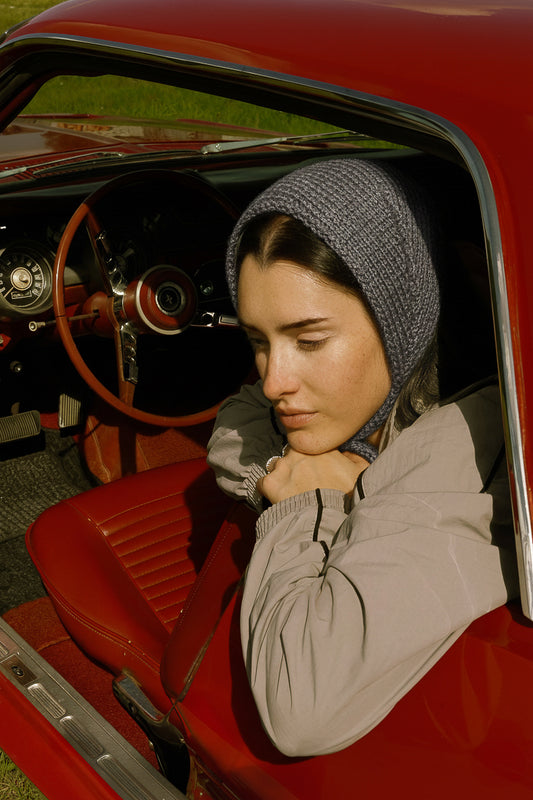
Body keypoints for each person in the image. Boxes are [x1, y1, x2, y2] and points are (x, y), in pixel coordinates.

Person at [206, 158, 518, 758]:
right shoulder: (363, 396)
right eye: (258, 341)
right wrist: (282, 468)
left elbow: (300, 710)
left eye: (310, 341)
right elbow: (239, 420)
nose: (274, 381)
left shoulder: (461, 456)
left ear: (400, 315)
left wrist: (302, 501)